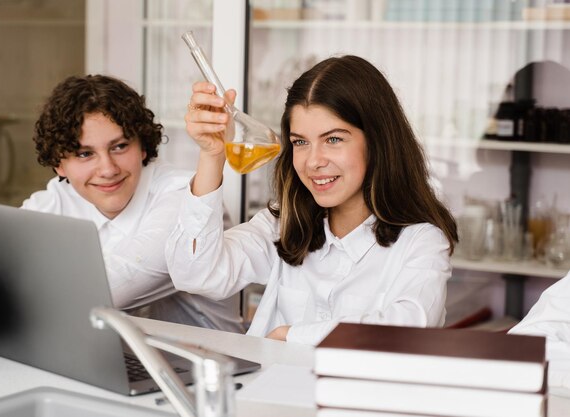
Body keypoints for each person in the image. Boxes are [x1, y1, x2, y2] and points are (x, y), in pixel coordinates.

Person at [165, 55, 459, 345]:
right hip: (264, 391)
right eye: (300, 142)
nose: (313, 162)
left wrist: (291, 336)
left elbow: (409, 326)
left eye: (333, 139)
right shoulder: (282, 225)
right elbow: (195, 274)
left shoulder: (421, 240)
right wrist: (212, 156)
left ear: (377, 141)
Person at [0, 74, 243, 333]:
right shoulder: (63, 197)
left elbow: (103, 291)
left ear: (143, 147)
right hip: (116, 357)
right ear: (59, 164)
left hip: (206, 372)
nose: (108, 169)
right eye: (85, 154)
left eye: (120, 146)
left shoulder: (184, 198)